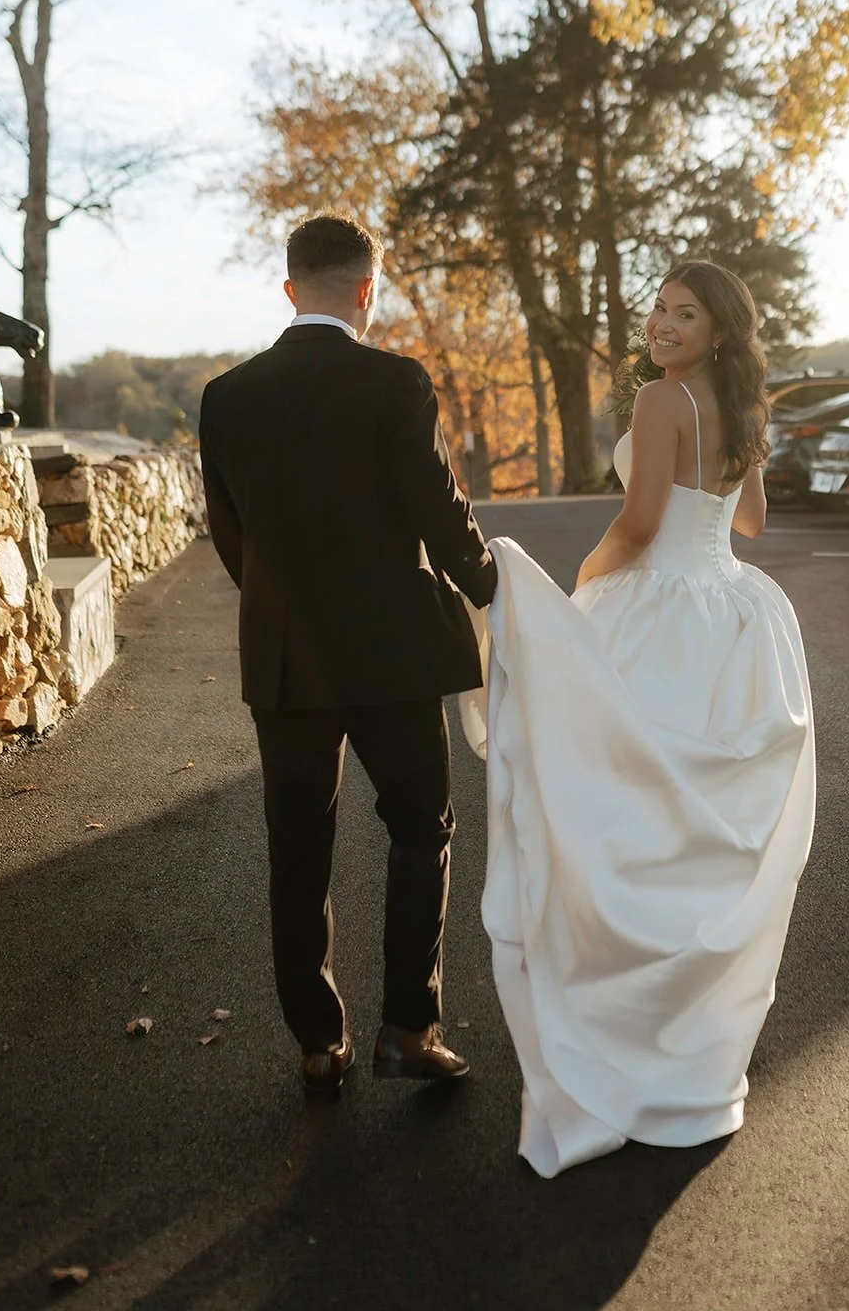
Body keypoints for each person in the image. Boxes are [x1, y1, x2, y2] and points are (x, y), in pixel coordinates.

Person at [463, 260, 816, 1177]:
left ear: (718, 329)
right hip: (731, 613)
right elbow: (752, 525)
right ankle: (690, 1062)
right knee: (698, 839)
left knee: (621, 816)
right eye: (659, 308)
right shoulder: (741, 406)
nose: (662, 324)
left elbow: (643, 513)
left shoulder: (664, 403)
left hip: (657, 603)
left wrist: (584, 582)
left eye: (684, 313)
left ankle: (617, 1034)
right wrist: (735, 463)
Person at [199, 213, 497, 1095]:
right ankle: (409, 1028)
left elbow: (230, 537)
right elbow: (438, 512)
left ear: (290, 290)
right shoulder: (396, 383)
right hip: (393, 655)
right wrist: (495, 591)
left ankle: (318, 1044)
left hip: (285, 658)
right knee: (421, 830)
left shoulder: (226, 396)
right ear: (367, 291)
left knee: (298, 848)